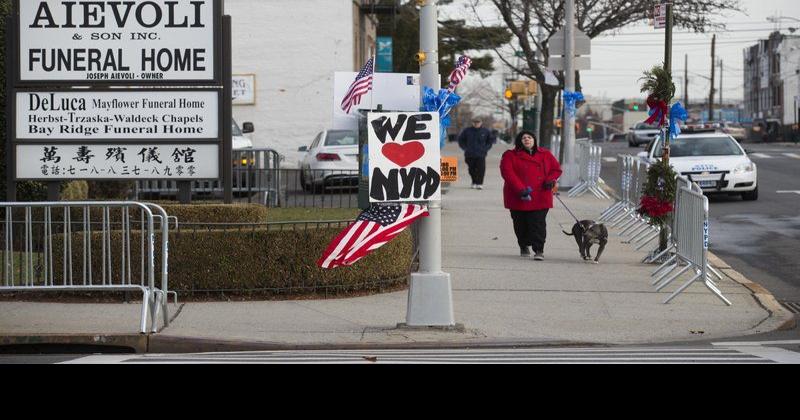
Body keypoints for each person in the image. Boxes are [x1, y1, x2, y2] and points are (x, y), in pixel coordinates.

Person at [500, 130, 562, 260]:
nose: (527, 139)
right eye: (523, 138)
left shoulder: (545, 154)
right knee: (520, 224)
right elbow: (507, 173)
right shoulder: (510, 155)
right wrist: (521, 189)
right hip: (518, 196)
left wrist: (550, 180)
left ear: (534, 140)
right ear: (519, 141)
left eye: (529, 137)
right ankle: (523, 245)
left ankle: (539, 249)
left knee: (538, 224)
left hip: (540, 195)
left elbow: (556, 169)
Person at [458, 118, 496, 189]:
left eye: (478, 122)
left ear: (481, 123)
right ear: (472, 123)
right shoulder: (467, 131)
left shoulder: (485, 131)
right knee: (471, 169)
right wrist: (465, 148)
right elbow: (461, 140)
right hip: (469, 154)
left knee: (481, 169)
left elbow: (490, 140)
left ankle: (479, 183)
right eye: (475, 122)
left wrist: (485, 149)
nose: (476, 124)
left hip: (481, 154)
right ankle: (474, 181)